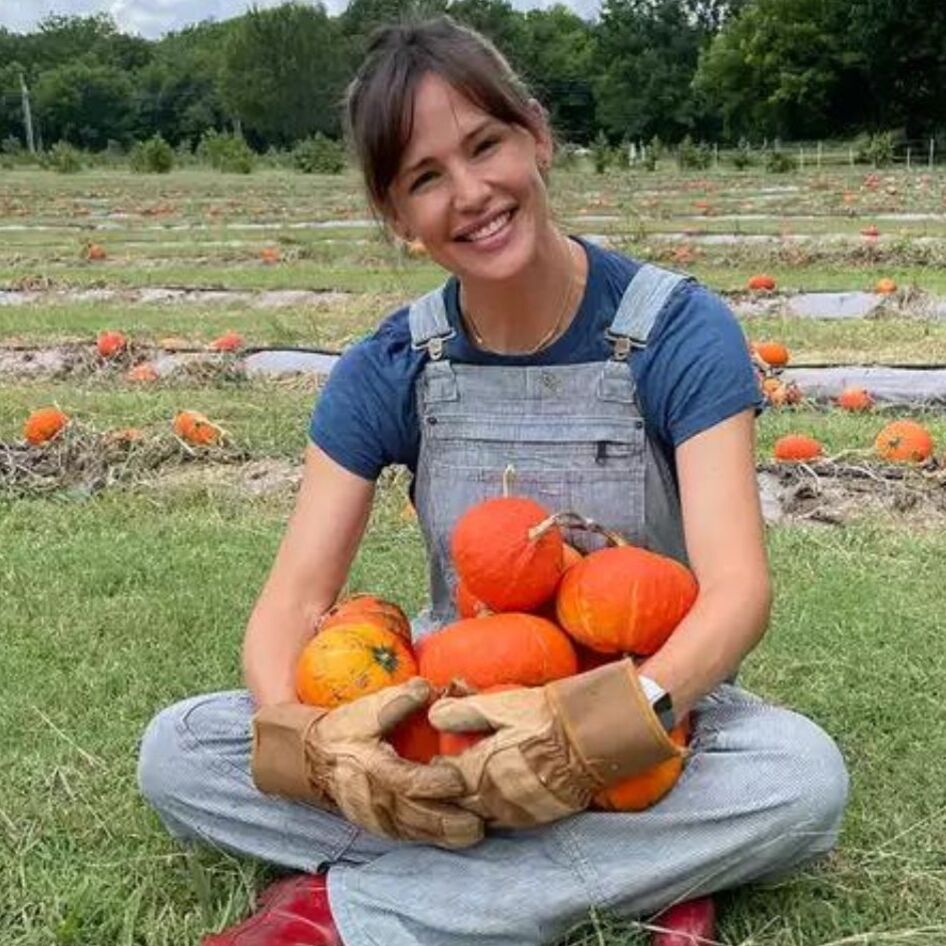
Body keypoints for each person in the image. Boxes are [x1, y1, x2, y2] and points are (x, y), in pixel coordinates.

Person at [137, 16, 849, 946]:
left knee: (800, 778)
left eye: (485, 146)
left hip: (652, 714)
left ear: (536, 136)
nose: (471, 194)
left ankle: (350, 910)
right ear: (397, 218)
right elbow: (292, 604)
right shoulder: (389, 363)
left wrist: (603, 732)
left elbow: (738, 593)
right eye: (426, 179)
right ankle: (633, 881)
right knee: (180, 751)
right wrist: (315, 747)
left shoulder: (680, 331)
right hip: (454, 714)